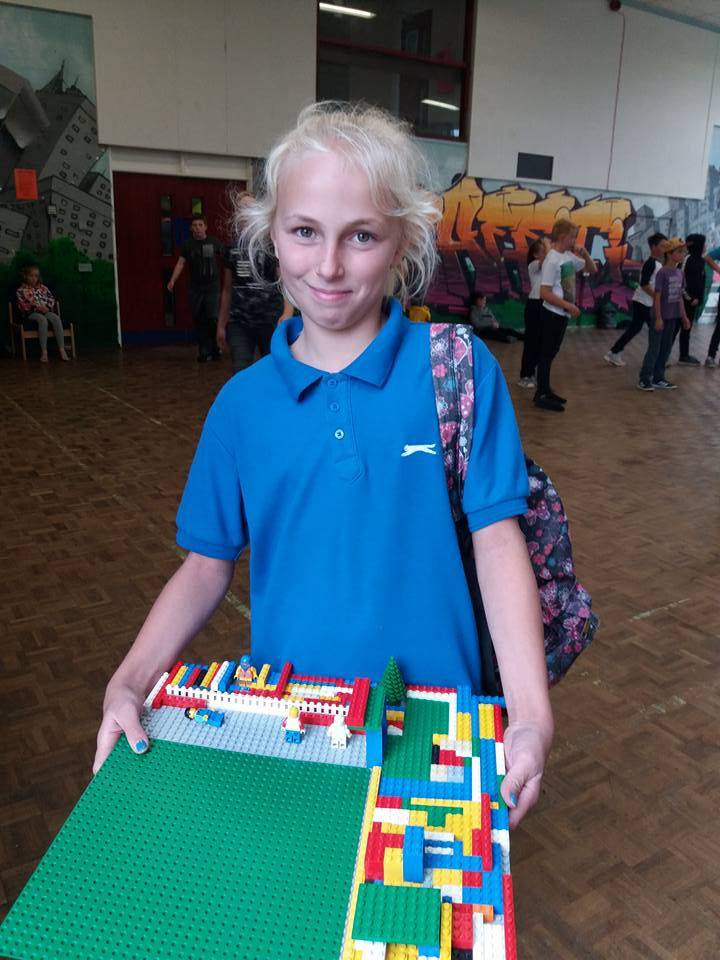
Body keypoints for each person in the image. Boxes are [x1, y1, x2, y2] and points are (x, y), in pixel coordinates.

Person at [94, 102, 553, 828]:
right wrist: (127, 681)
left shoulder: (458, 371)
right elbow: (205, 566)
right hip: (295, 723)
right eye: (304, 231)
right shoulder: (242, 406)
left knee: (417, 897)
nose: (329, 265)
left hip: (439, 723)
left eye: (361, 235)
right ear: (271, 234)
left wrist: (528, 715)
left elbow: (499, 545)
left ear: (402, 242)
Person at [217, 194, 287, 373]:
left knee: (273, 372)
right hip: (239, 321)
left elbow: (285, 282)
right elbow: (227, 289)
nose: (245, 211)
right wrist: (221, 325)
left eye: (249, 207)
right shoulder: (231, 248)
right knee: (240, 370)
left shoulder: (271, 245)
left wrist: (287, 313)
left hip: (270, 319)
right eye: (241, 208)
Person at [536, 219, 597, 411]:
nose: (575, 241)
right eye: (573, 237)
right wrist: (568, 306)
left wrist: (585, 254)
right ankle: (541, 394)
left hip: (561, 314)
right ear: (563, 236)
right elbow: (544, 292)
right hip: (551, 314)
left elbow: (592, 269)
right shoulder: (552, 259)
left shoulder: (567, 256)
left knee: (551, 353)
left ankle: (545, 389)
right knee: (546, 354)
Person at [167, 214, 225, 362]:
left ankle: (215, 349)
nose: (198, 228)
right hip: (195, 288)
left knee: (212, 317)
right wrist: (173, 280)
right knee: (199, 319)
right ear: (190, 228)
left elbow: (226, 258)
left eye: (200, 225)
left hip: (212, 286)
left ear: (205, 227)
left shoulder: (214, 242)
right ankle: (204, 351)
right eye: (195, 225)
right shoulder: (187, 245)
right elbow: (180, 263)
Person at [604, 233, 666, 367]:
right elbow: (644, 284)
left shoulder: (657, 264)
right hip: (643, 302)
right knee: (654, 330)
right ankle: (656, 359)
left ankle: (614, 352)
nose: (664, 248)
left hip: (645, 302)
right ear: (653, 247)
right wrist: (657, 297)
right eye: (662, 246)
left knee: (636, 329)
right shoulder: (651, 264)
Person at [638, 237, 690, 391]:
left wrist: (684, 317)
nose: (682, 255)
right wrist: (658, 318)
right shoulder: (662, 273)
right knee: (654, 348)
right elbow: (657, 296)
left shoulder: (680, 273)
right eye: (679, 252)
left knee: (666, 349)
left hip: (673, 317)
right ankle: (644, 379)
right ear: (669, 254)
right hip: (660, 317)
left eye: (683, 252)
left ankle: (658, 378)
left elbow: (679, 297)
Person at [672, 234, 720, 366]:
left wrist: (698, 298)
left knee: (687, 327)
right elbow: (680, 281)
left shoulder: (700, 260)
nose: (705, 246)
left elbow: (699, 282)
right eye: (703, 243)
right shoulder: (687, 259)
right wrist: (689, 297)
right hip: (684, 301)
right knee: (675, 328)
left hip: (694, 301)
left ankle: (684, 355)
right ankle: (662, 357)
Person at [15, 263, 69, 363]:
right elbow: (23, 304)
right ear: (25, 276)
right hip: (31, 313)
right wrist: (36, 307)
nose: (34, 278)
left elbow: (51, 298)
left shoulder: (43, 288)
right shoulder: (21, 290)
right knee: (42, 319)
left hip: (45, 310)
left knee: (55, 318)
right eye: (31, 276)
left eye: (36, 276)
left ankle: (62, 350)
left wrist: (47, 307)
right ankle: (44, 352)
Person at [518, 237, 549, 387]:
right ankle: (525, 375)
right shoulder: (534, 265)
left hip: (546, 304)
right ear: (536, 254)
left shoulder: (549, 266)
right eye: (543, 251)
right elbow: (546, 261)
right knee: (531, 341)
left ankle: (533, 372)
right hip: (535, 305)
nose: (547, 253)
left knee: (542, 342)